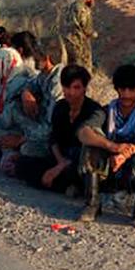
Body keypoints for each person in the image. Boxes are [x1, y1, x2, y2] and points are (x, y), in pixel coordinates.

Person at [77, 64, 135, 226]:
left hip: (134, 173)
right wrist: (112, 147)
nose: (126, 94)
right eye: (122, 89)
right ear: (116, 89)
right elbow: (83, 132)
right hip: (109, 170)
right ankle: (92, 203)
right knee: (92, 142)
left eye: (131, 90)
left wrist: (129, 151)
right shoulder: (106, 111)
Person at [12, 64, 96, 194]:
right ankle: (63, 186)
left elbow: (88, 143)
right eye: (67, 87)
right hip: (60, 157)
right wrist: (60, 162)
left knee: (78, 171)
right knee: (22, 164)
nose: (71, 92)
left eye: (76, 87)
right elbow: (54, 138)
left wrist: (61, 167)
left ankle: (66, 186)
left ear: (84, 88)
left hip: (79, 160)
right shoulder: (60, 107)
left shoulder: (94, 111)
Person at [60, 0, 98, 71]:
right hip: (78, 41)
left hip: (67, 39)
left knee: (71, 65)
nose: (93, 2)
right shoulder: (83, 8)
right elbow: (84, 25)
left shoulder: (71, 5)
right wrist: (92, 33)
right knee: (83, 67)